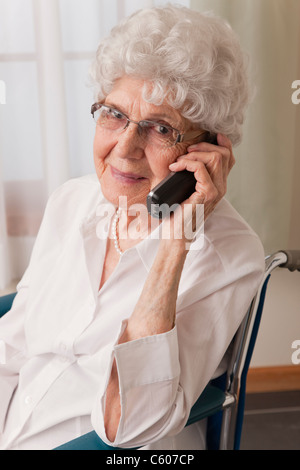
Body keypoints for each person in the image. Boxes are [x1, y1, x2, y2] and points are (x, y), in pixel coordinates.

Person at [0, 5, 264, 450]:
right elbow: (14, 348)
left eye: (160, 128)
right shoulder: (71, 201)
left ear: (206, 150)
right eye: (114, 114)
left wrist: (176, 241)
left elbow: (131, 424)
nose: (125, 147)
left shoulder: (229, 255)